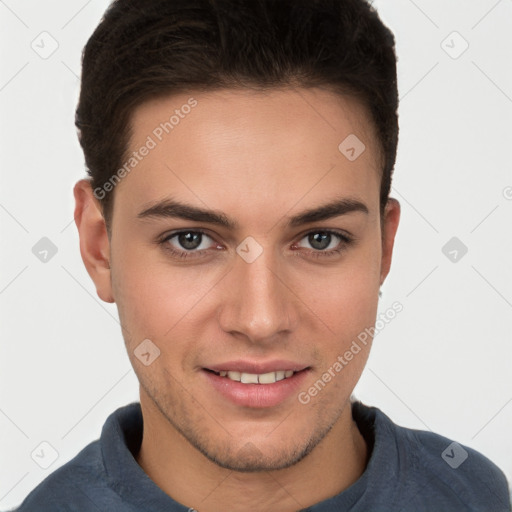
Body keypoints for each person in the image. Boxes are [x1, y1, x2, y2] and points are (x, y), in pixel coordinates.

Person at [13, 0, 510, 510]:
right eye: (190, 240)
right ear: (100, 248)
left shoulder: (477, 496)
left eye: (321, 239)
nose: (260, 319)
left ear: (384, 247)